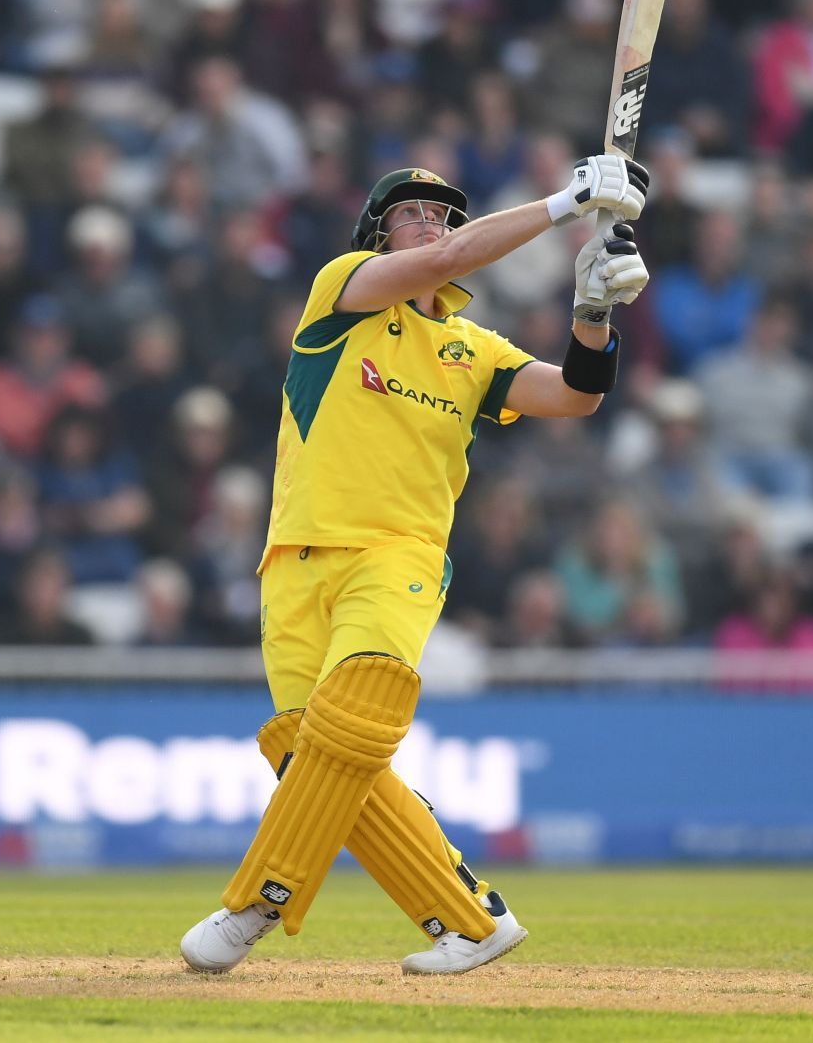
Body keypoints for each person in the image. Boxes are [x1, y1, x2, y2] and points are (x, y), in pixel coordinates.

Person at [179, 152, 652, 975]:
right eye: (410, 212)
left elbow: (577, 395)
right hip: (293, 559)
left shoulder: (475, 352)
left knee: (357, 711)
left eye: (443, 213)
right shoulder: (344, 292)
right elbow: (437, 265)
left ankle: (257, 902)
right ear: (377, 234)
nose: (430, 223)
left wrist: (592, 311)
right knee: (316, 758)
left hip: (397, 558)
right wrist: (564, 202)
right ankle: (472, 920)